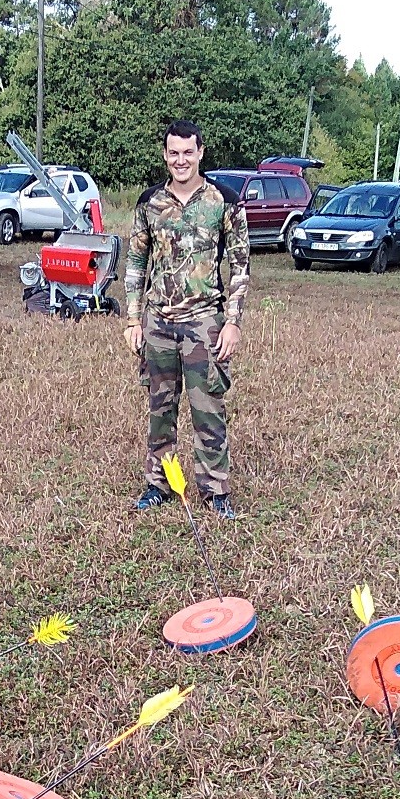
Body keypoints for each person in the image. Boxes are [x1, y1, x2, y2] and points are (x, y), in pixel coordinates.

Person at [123, 119, 249, 518]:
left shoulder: (224, 201)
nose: (181, 160)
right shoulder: (149, 203)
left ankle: (215, 492)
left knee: (208, 410)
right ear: (165, 155)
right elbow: (136, 262)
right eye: (173, 153)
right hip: (157, 323)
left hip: (203, 324)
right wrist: (132, 319)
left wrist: (232, 322)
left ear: (200, 152)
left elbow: (241, 264)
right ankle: (159, 484)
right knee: (160, 411)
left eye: (187, 152)